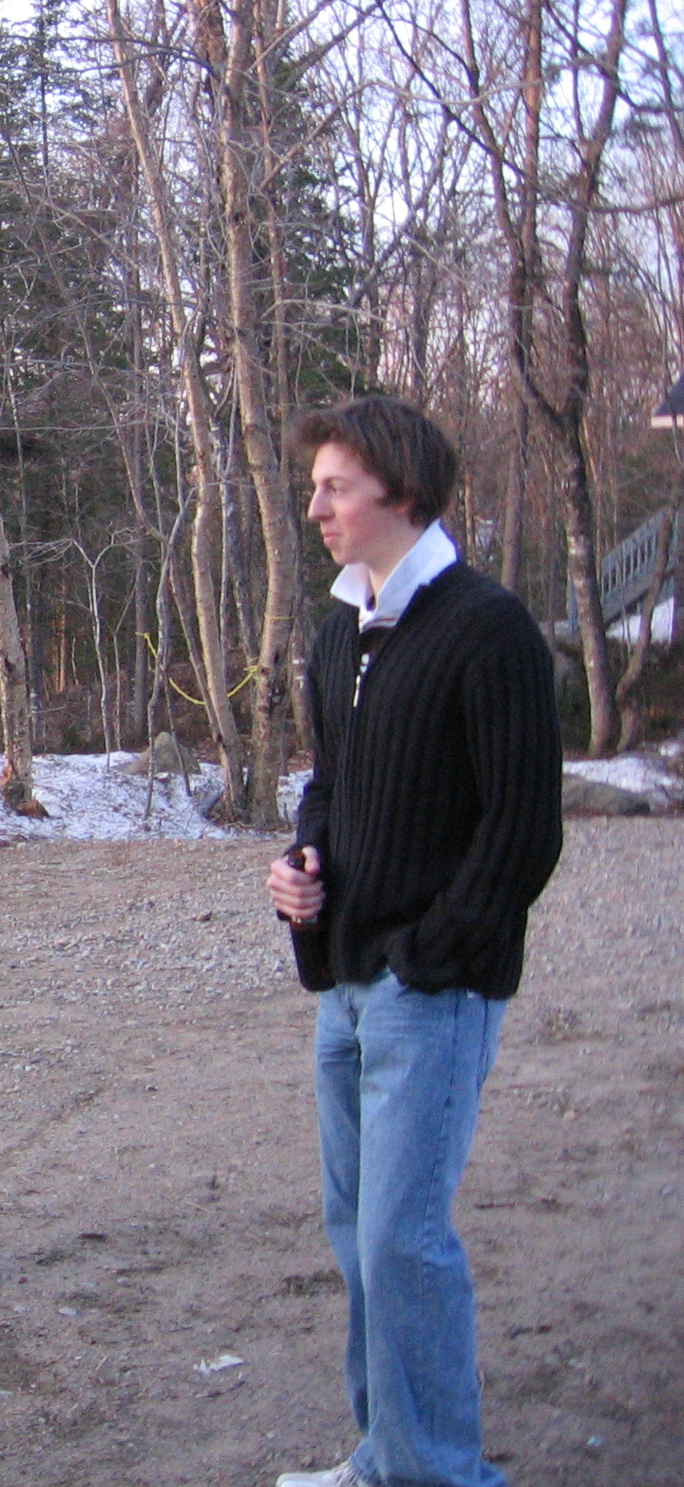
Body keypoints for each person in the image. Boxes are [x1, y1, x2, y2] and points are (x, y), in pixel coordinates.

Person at [266, 397, 561, 1487]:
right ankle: (384, 1458)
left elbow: (522, 827)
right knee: (358, 1237)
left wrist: (429, 956)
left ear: (400, 488)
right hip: (345, 984)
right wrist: (302, 866)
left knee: (402, 1241)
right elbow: (331, 789)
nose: (314, 509)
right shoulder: (338, 632)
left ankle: (440, 1474)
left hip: (428, 990)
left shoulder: (488, 629)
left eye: (332, 488)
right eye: (314, 488)